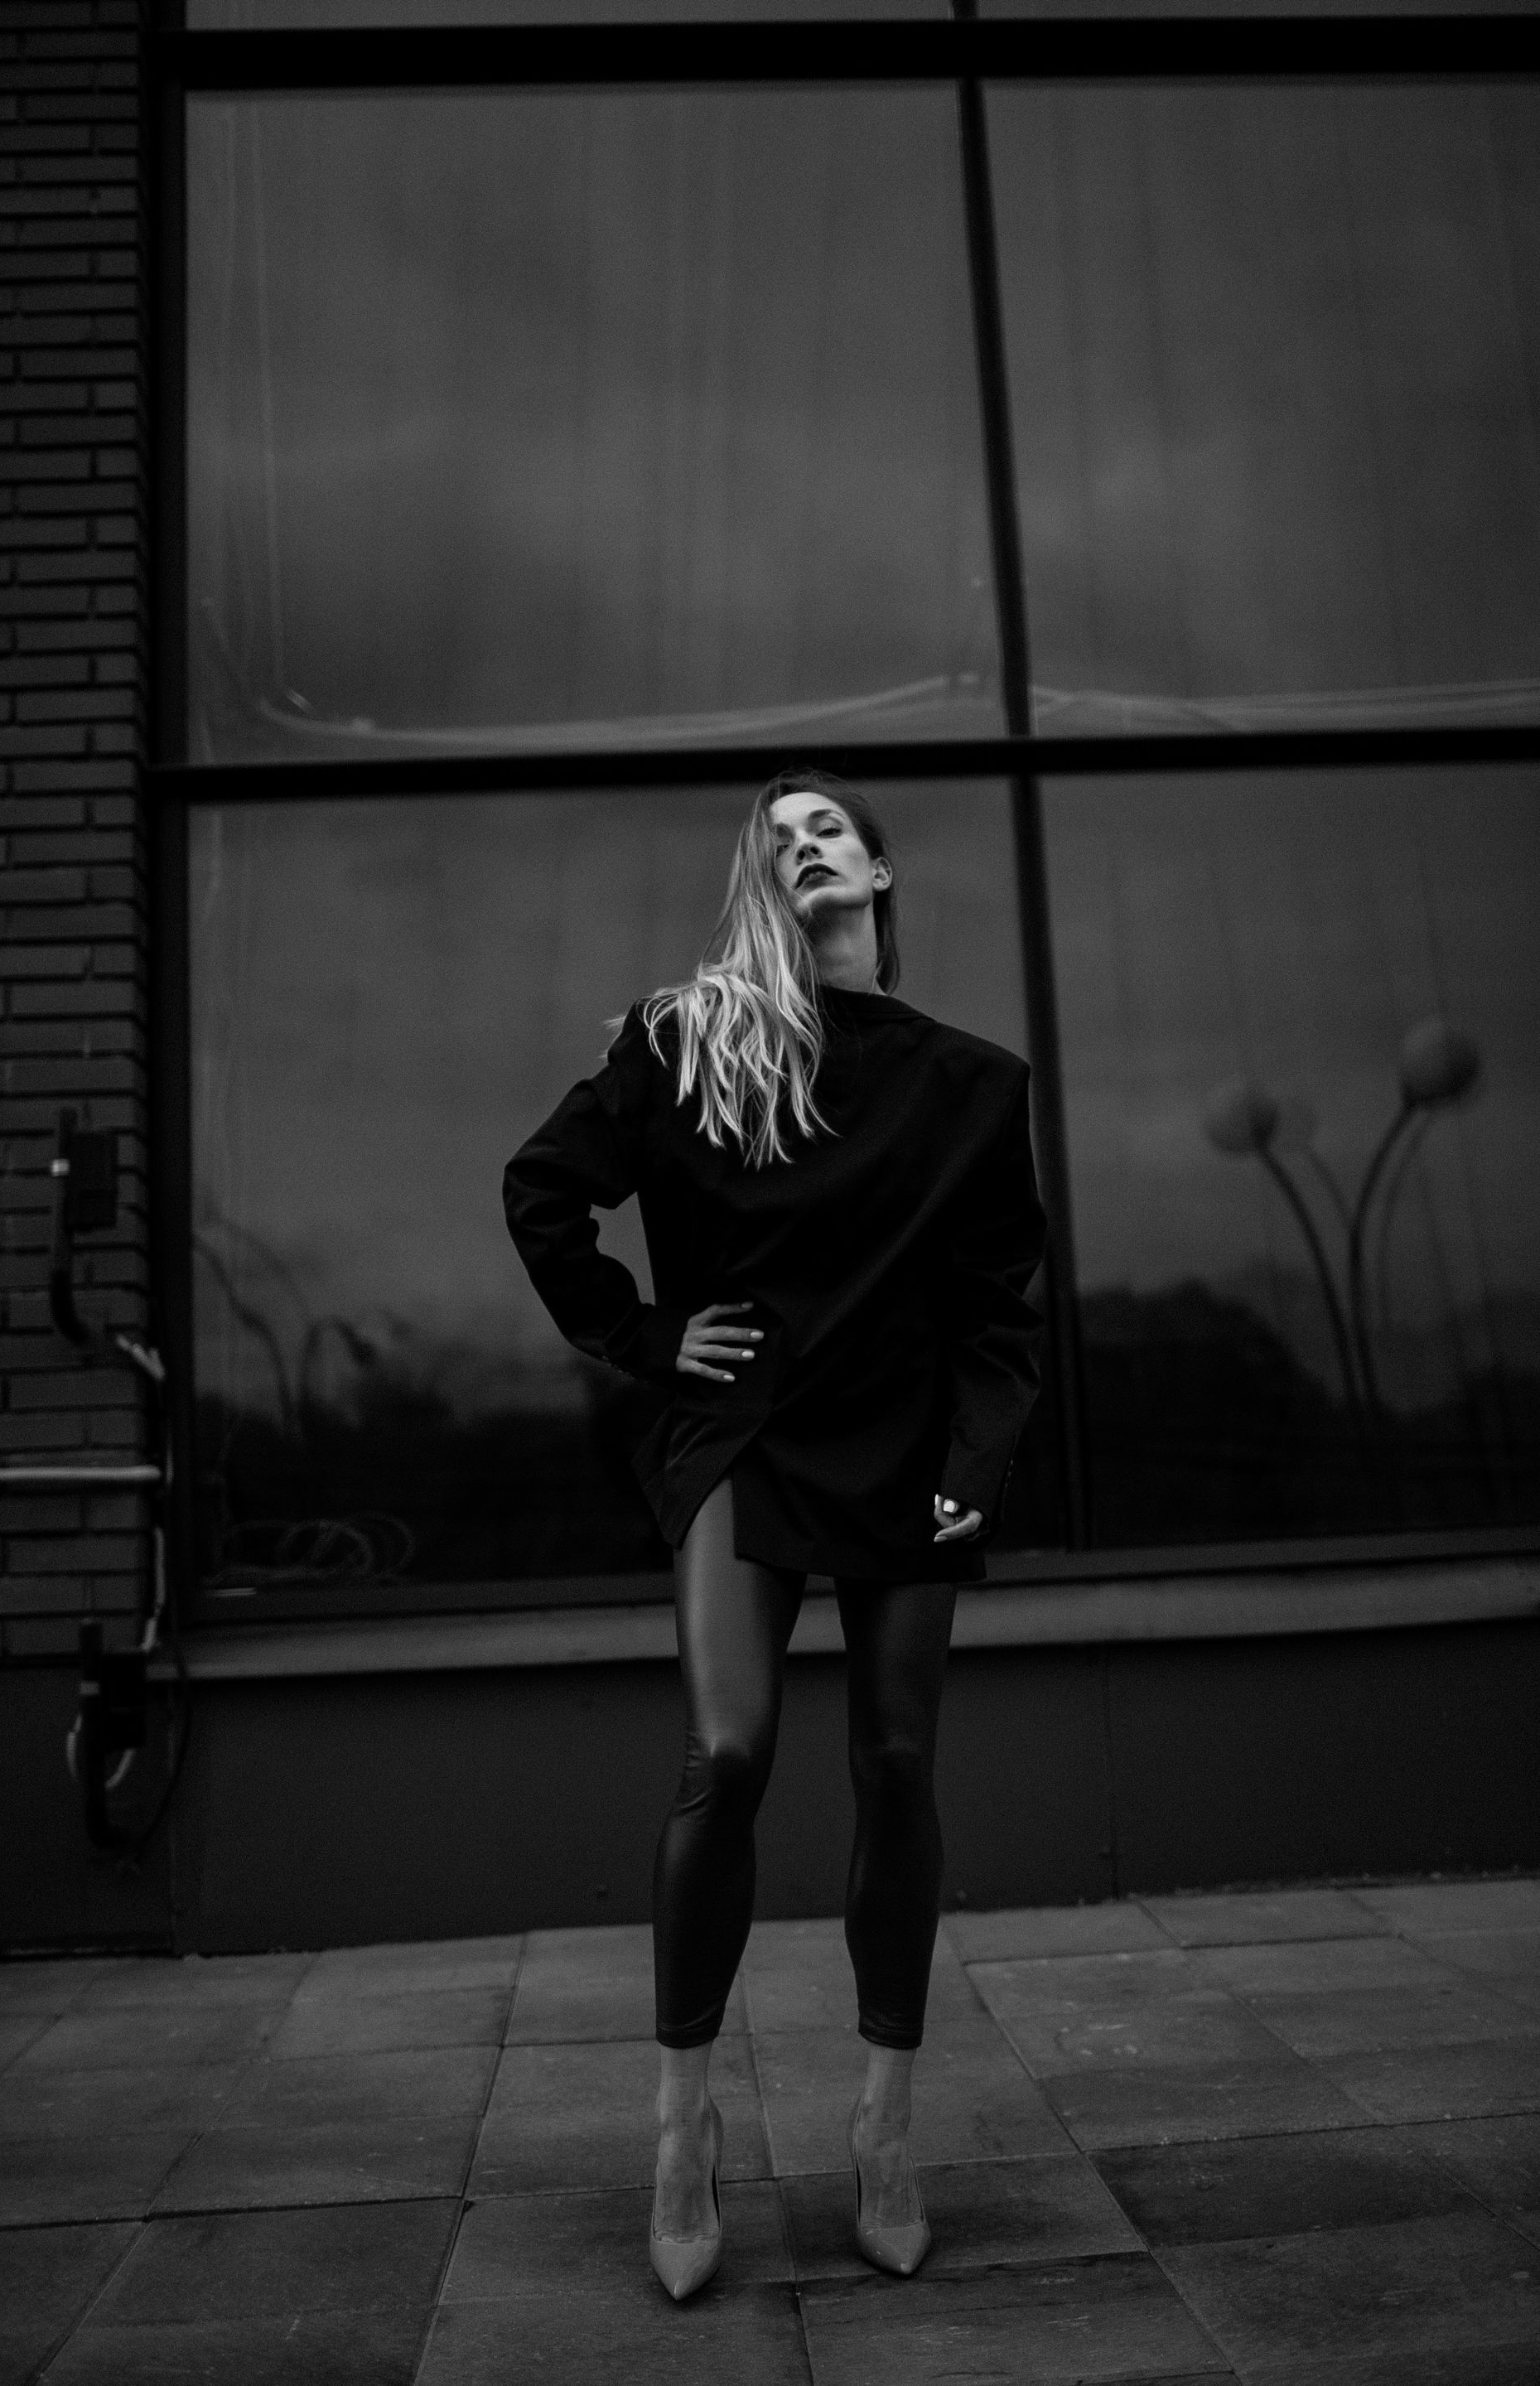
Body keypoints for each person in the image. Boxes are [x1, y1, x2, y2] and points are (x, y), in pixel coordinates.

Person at [503, 770, 1045, 2299]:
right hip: (742, 1436)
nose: (806, 847)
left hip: (906, 1452)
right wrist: (644, 1335)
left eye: (830, 831)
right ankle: (684, 2126)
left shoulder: (973, 1085)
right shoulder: (689, 1044)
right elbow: (543, 1194)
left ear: (879, 870)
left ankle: (884, 2123)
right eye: (779, 838)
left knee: (896, 1762)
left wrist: (979, 1460)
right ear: (765, 884)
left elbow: (999, 1308)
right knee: (727, 1754)